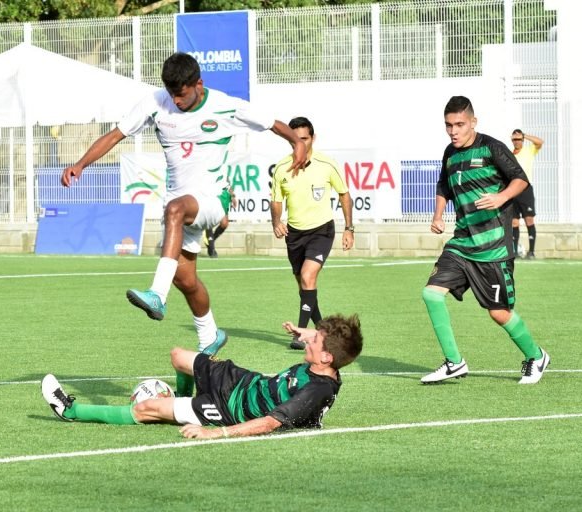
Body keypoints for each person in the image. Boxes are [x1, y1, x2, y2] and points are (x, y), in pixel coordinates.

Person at [60, 52, 307, 356]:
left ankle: (157, 294)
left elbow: (274, 124)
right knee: (185, 279)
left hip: (213, 200)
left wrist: (296, 143)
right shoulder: (155, 102)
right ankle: (210, 335)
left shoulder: (225, 105)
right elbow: (116, 135)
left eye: (182, 94)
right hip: (181, 206)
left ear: (198, 84)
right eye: (171, 94)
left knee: (175, 209)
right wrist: (81, 163)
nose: (176, 101)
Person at [41, 314, 363, 439]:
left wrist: (216, 433)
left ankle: (71, 411)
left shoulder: (317, 390)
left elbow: (269, 423)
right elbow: (322, 341)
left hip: (226, 411)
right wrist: (304, 330)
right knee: (178, 356)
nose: (307, 340)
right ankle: (182, 399)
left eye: (314, 340)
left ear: (326, 357)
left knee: (146, 410)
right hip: (238, 380)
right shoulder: (325, 361)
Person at [421, 96, 550, 385]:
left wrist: (501, 197)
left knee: (499, 313)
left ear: (473, 122)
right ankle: (454, 362)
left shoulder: (492, 147)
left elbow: (520, 179)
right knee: (431, 294)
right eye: (448, 125)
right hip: (462, 242)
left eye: (459, 124)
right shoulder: (450, 154)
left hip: (492, 247)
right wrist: (438, 214)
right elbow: (444, 184)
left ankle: (536, 356)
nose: (453, 131)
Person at [270, 117, 354, 350]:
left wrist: (349, 228)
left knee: (308, 277)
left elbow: (344, 195)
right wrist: (276, 221)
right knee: (304, 285)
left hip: (321, 230)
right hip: (295, 234)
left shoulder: (327, 164)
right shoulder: (281, 168)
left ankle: (300, 334)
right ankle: (321, 329)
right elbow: (276, 201)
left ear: (313, 138)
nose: (301, 143)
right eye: (295, 139)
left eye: (304, 139)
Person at [510, 129, 544, 259]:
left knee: (529, 219)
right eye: (515, 139)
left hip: (525, 190)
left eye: (519, 139)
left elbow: (540, 142)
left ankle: (531, 251)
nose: (517, 141)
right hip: (513, 190)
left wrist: (525, 135)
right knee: (514, 222)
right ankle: (514, 251)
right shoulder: (510, 154)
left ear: (522, 140)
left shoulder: (529, 150)